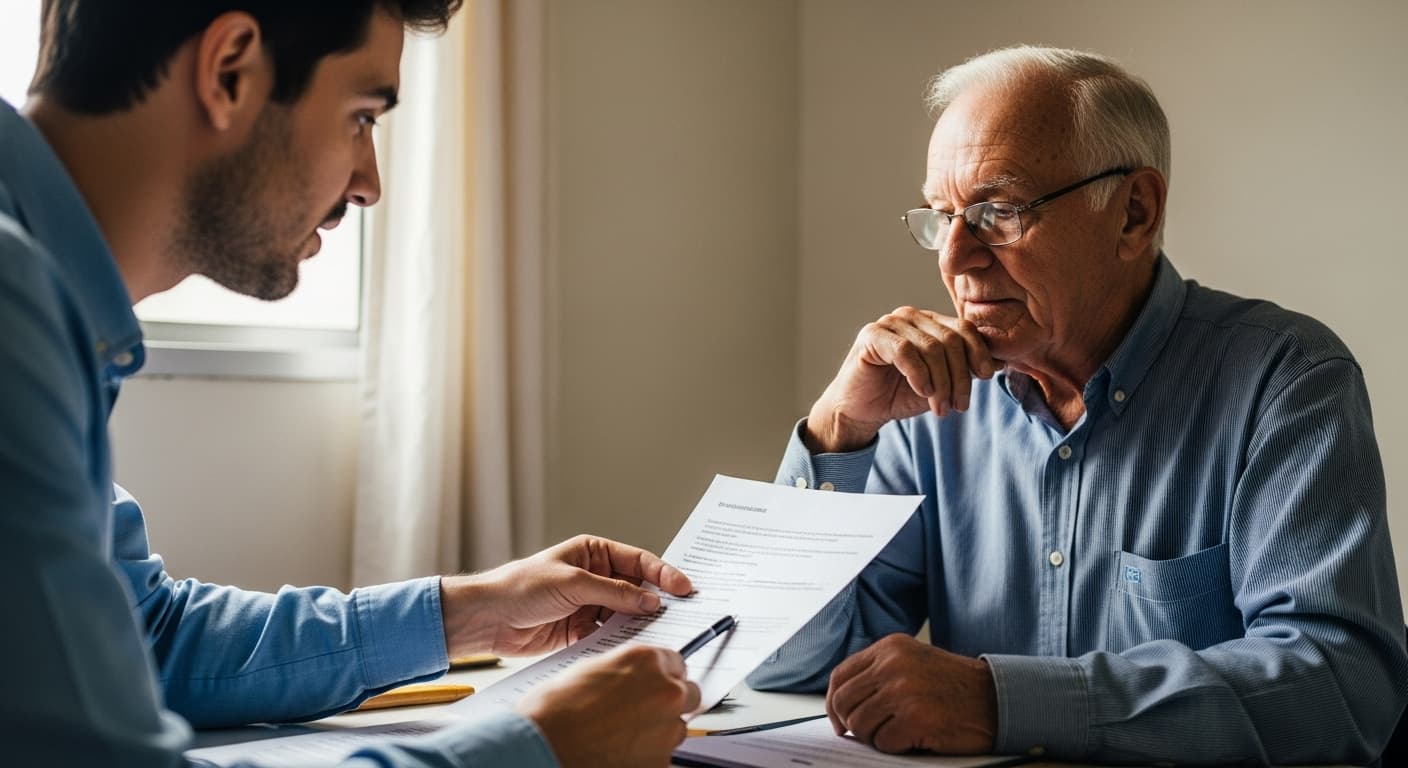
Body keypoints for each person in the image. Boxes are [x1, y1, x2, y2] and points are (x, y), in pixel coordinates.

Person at [0, 2, 698, 766]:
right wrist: (541, 751)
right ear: (229, 69)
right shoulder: (13, 313)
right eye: (362, 118)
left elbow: (146, 636)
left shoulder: (45, 304)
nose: (368, 184)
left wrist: (472, 613)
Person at [747, 45, 1408, 765]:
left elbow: (1342, 686)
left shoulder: (1283, 381)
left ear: (1134, 212)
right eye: (943, 216)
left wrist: (1006, 703)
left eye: (996, 212)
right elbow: (789, 665)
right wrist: (838, 433)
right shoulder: (930, 402)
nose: (955, 259)